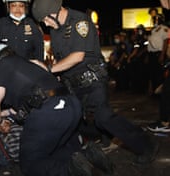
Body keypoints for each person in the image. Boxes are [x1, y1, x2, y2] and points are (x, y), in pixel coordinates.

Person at [31, 0, 159, 165]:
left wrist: (49, 69)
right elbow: (60, 58)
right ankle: (103, 135)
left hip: (92, 79)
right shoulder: (55, 31)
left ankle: (146, 144)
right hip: (72, 83)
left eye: (46, 19)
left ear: (55, 11)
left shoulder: (80, 21)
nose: (46, 23)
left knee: (103, 117)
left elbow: (78, 56)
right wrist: (55, 74)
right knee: (72, 118)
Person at [0, 43, 114, 176]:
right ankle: (89, 155)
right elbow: (24, 103)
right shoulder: (28, 64)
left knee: (30, 163)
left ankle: (70, 170)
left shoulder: (0, 67)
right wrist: (6, 114)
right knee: (55, 146)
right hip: (71, 104)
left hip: (49, 110)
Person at [147, 17, 169, 95]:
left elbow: (165, 42)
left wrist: (162, 55)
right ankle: (154, 91)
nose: (153, 21)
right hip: (152, 54)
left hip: (159, 53)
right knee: (152, 73)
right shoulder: (153, 30)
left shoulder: (164, 28)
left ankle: (161, 93)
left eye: (155, 19)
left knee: (159, 74)